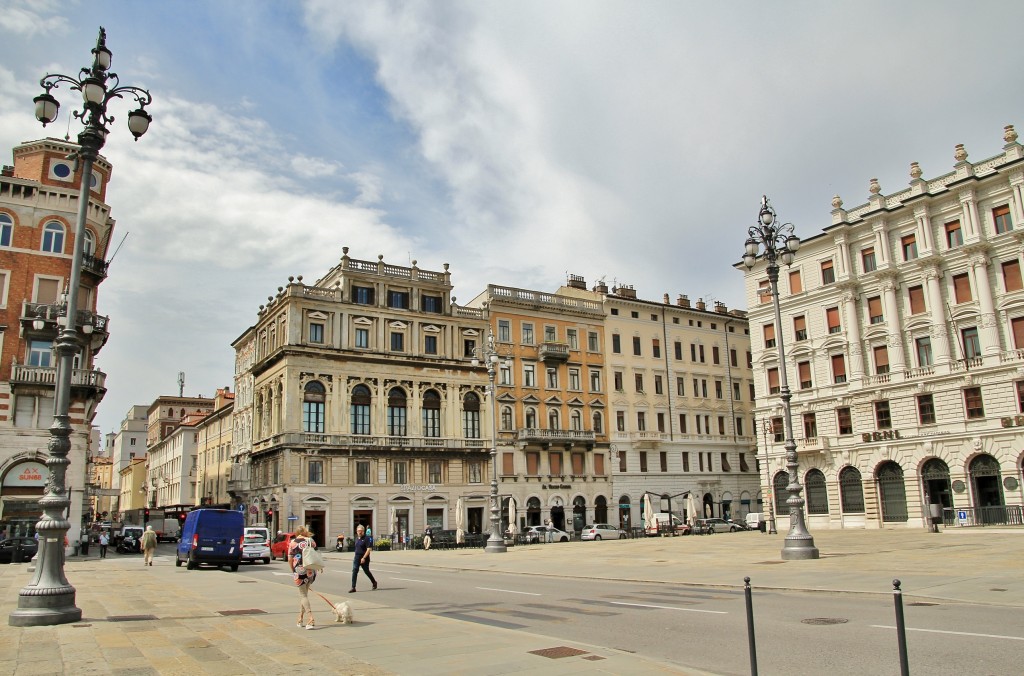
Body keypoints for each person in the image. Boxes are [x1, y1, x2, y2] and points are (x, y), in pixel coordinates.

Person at [288, 526, 317, 630]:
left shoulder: (293, 543)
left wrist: (293, 570)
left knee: (303, 595)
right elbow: (315, 553)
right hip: (310, 571)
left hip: (299, 571)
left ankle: (310, 619)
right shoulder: (310, 541)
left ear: (296, 532)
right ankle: (300, 618)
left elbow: (290, 559)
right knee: (304, 596)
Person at [349, 524, 377, 593]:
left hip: (364, 557)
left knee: (366, 571)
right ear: (356, 531)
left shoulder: (367, 538)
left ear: (363, 531)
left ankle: (374, 582)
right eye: (358, 531)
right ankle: (353, 587)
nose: (359, 532)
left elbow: (369, 549)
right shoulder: (357, 538)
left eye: (361, 531)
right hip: (357, 557)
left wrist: (364, 558)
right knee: (355, 570)